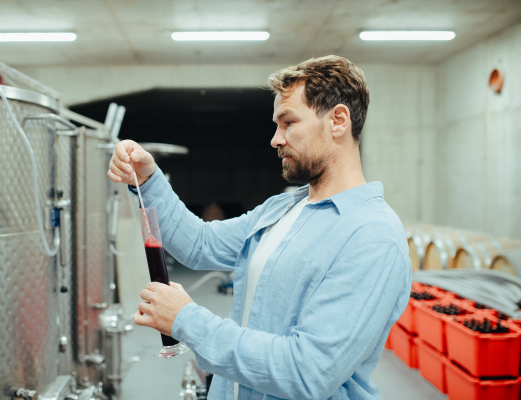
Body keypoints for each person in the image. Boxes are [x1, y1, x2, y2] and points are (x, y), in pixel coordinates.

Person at [107, 55, 412, 400]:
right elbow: (200, 243)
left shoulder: (372, 236)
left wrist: (186, 320)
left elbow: (306, 372)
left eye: (288, 122)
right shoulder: (283, 208)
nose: (275, 139)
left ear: (338, 120)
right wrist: (148, 179)